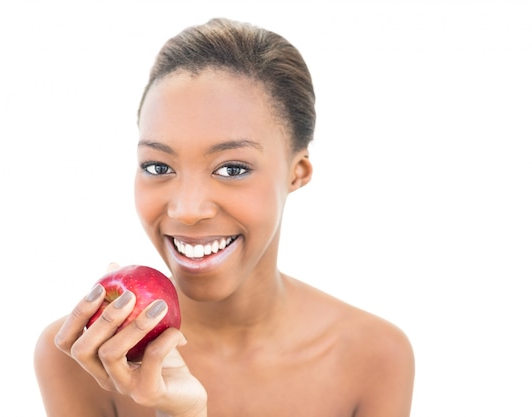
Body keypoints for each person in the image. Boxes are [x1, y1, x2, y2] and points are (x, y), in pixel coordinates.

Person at [34, 17, 415, 417]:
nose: (187, 209)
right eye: (158, 167)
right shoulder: (80, 356)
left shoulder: (375, 357)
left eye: (232, 168)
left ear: (296, 172)